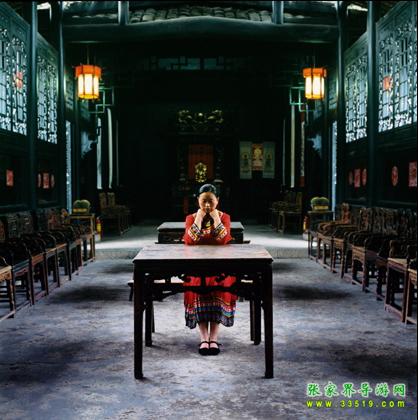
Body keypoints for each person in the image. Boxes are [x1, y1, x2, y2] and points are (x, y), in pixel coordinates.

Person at [183, 184, 236, 356]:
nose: (207, 205)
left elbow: (223, 240)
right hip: (196, 266)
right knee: (197, 286)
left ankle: (213, 338)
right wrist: (199, 218)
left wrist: (216, 219)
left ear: (217, 201)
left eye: (211, 201)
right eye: (203, 201)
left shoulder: (225, 217)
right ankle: (203, 338)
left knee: (220, 286)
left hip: (220, 266)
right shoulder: (191, 218)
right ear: (197, 201)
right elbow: (190, 240)